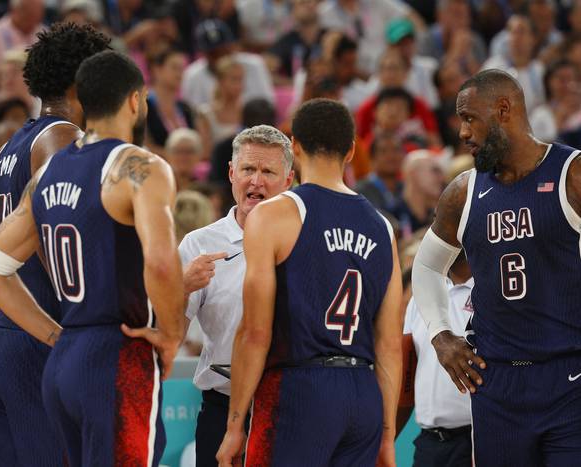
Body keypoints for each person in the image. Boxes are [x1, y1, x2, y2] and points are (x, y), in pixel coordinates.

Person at [0, 50, 184, 467]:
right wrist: (171, 334)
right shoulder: (139, 166)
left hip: (63, 359)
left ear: (82, 103)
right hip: (116, 356)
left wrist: (56, 336)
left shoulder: (48, 173)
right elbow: (161, 262)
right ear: (135, 101)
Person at [216, 99, 403, 466]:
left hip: (299, 390)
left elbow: (254, 333)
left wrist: (235, 424)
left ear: (295, 145)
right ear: (351, 150)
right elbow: (390, 345)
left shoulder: (274, 214)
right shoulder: (382, 227)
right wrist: (386, 434)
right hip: (362, 395)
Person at [0, 23, 111, 466]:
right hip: (49, 353)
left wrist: (10, 315)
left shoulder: (13, 146)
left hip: (9, 349)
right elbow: (61, 237)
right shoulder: (64, 140)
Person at [412, 68, 581, 466]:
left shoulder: (571, 175)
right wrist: (441, 336)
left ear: (503, 109)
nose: (463, 133)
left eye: (470, 118)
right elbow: (425, 268)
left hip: (569, 378)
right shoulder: (463, 193)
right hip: (497, 383)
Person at [179, 124, 294, 467]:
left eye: (268, 171)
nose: (256, 181)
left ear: (288, 181)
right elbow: (169, 336)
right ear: (231, 173)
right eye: (248, 169)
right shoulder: (198, 245)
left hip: (290, 409)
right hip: (222, 408)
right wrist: (180, 287)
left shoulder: (306, 242)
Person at [398, 254, 473, 467]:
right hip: (429, 444)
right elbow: (406, 382)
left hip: (476, 440)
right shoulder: (420, 296)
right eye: (436, 219)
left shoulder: (490, 291)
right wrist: (387, 436)